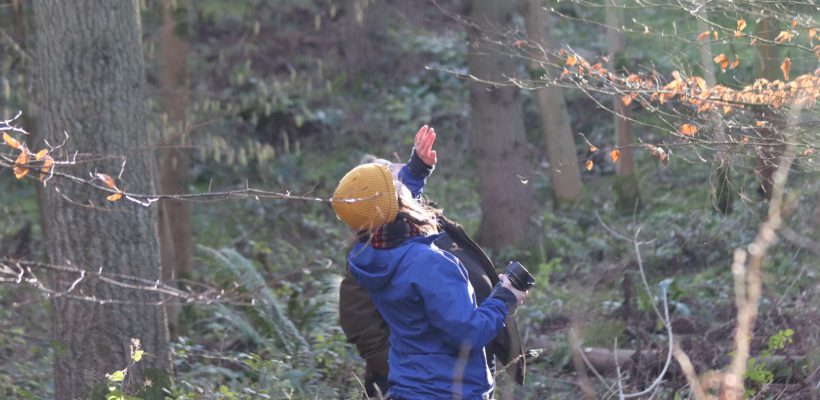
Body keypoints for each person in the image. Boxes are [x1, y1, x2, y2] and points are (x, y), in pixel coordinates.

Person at [331, 126, 528, 399]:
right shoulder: (430, 264)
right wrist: (505, 298)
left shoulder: (368, 258)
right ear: (394, 201)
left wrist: (416, 172)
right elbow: (469, 333)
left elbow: (390, 212)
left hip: (409, 386)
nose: (399, 178)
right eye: (394, 180)